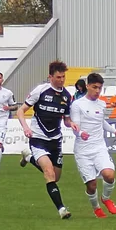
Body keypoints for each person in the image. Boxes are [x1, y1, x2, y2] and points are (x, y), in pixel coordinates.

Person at [17, 60, 74, 219]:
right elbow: (21, 111)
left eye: (63, 77)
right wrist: (26, 128)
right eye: (58, 77)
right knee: (48, 173)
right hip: (38, 139)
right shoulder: (40, 91)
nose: (61, 80)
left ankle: (28, 157)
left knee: (56, 177)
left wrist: (72, 124)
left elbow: (66, 120)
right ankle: (62, 209)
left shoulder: (67, 96)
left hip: (55, 140)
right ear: (50, 77)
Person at [68, 73, 116, 219]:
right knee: (91, 185)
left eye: (100, 88)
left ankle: (105, 198)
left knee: (109, 174)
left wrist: (115, 131)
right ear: (87, 86)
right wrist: (81, 133)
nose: (97, 91)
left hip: (99, 147)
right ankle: (96, 208)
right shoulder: (77, 104)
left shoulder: (102, 103)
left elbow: (101, 122)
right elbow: (75, 127)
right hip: (83, 151)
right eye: (94, 87)